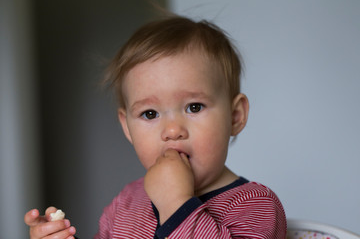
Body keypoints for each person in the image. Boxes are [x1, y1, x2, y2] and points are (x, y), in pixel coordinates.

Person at [25, 15, 287, 238]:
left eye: (194, 107)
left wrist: (176, 204)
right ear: (127, 128)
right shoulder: (126, 202)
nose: (172, 131)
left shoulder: (255, 206)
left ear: (235, 116)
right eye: (150, 113)